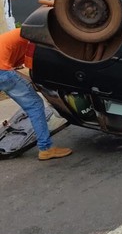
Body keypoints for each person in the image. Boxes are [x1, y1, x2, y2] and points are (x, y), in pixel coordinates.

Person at [0, 29, 73, 160]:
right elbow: (35, 69)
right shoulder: (33, 36)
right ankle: (46, 149)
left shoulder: (24, 36)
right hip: (3, 71)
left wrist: (33, 85)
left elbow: (21, 75)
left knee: (31, 102)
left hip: (4, 71)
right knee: (35, 106)